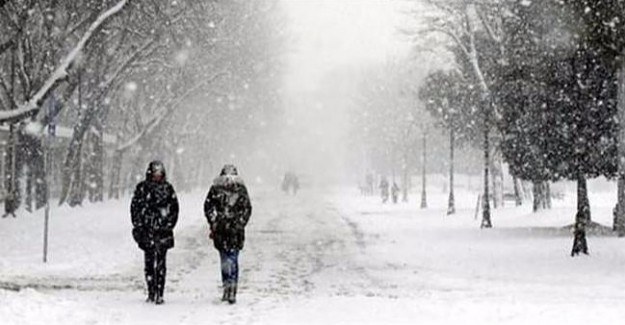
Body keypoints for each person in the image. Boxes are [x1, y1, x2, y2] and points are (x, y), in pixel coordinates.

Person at [131, 160, 179, 305]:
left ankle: (160, 292)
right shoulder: (142, 188)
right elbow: (135, 208)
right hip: (147, 231)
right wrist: (140, 224)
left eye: (160, 173)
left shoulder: (167, 188)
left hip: (162, 232)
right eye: (155, 173)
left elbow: (174, 209)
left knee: (161, 264)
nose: (157, 176)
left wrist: (168, 224)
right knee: (149, 263)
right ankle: (151, 291)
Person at [204, 164, 252, 304]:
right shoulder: (215, 190)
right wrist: (214, 220)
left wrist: (239, 222)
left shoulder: (241, 190)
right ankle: (227, 287)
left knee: (233, 259)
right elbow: (208, 206)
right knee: (225, 260)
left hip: (235, 232)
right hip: (221, 231)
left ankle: (232, 289)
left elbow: (247, 208)